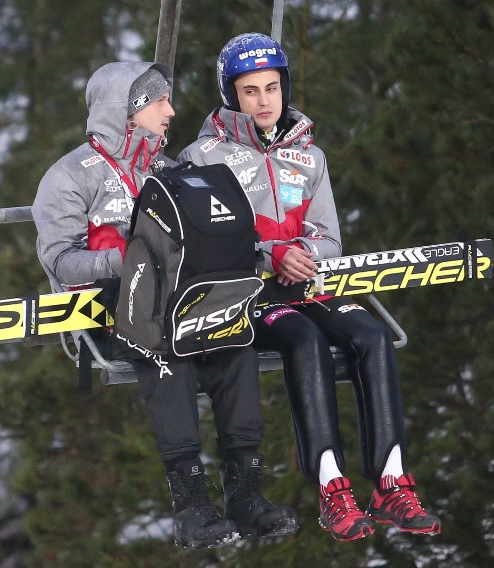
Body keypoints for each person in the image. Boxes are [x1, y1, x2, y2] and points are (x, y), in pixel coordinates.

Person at [179, 33, 442, 542]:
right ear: (231, 94)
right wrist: (267, 252)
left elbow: (329, 237)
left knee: (372, 336)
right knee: (305, 339)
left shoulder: (309, 156)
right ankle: (332, 489)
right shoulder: (204, 155)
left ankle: (392, 484)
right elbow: (202, 240)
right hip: (247, 294)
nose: (263, 100)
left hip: (305, 282)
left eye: (272, 88)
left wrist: (303, 255)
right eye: (250, 90)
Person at [32, 61, 299, 548]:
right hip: (116, 311)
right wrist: (134, 260)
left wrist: (257, 252)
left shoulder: (172, 168)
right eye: (158, 101)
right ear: (127, 111)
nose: (171, 111)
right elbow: (61, 262)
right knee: (166, 355)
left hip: (183, 304)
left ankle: (245, 493)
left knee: (235, 347)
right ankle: (192, 506)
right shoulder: (70, 175)